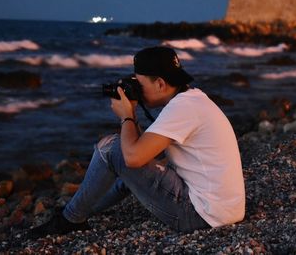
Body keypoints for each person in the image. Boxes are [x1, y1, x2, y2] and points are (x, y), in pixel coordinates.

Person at [28, 46, 245, 238]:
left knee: (111, 149)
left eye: (139, 84)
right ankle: (83, 211)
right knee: (125, 161)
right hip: (223, 210)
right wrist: (130, 117)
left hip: (200, 216)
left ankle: (69, 219)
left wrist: (127, 116)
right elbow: (145, 154)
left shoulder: (183, 108)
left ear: (160, 83)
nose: (137, 91)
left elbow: (132, 157)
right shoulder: (191, 99)